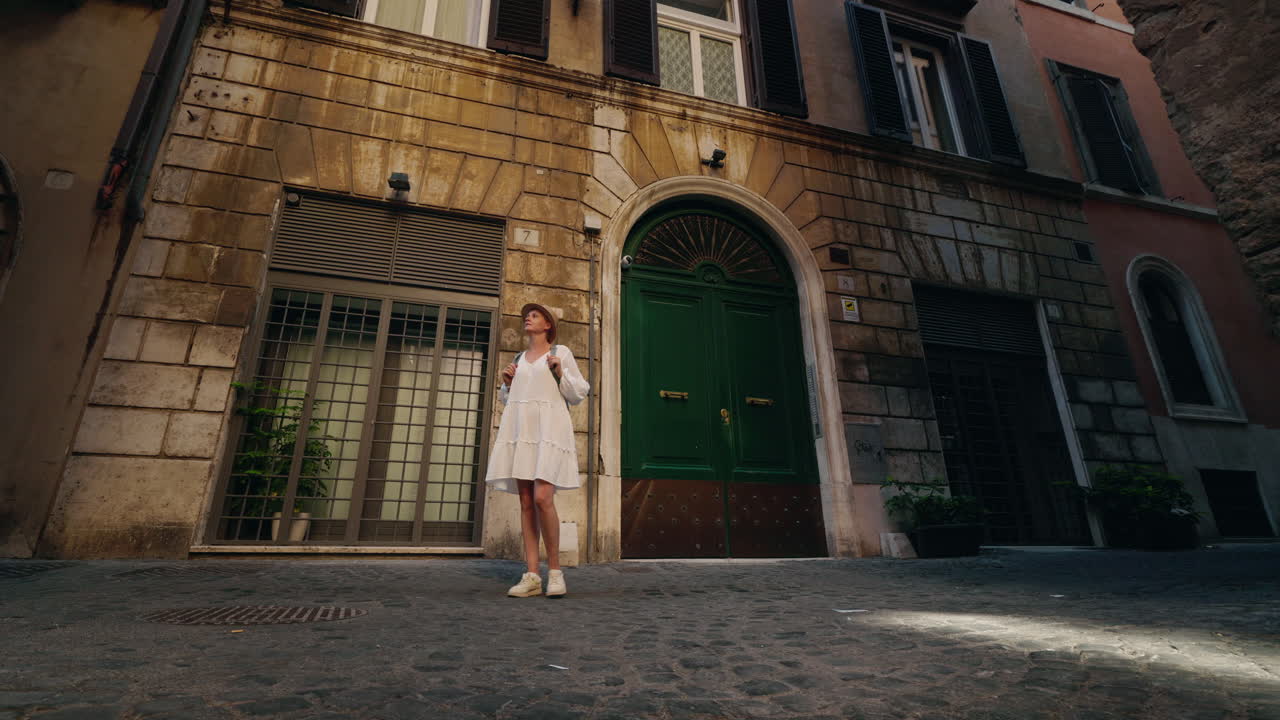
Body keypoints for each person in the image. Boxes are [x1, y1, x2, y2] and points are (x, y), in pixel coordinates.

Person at [485, 303, 589, 598]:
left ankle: (555, 571)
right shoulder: (519, 358)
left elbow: (578, 392)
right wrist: (507, 385)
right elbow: (511, 400)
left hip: (549, 432)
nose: (527, 319)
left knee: (544, 497)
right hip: (522, 433)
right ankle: (531, 575)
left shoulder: (561, 353)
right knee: (527, 501)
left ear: (547, 325)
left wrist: (559, 372)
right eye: (526, 316)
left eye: (534, 315)